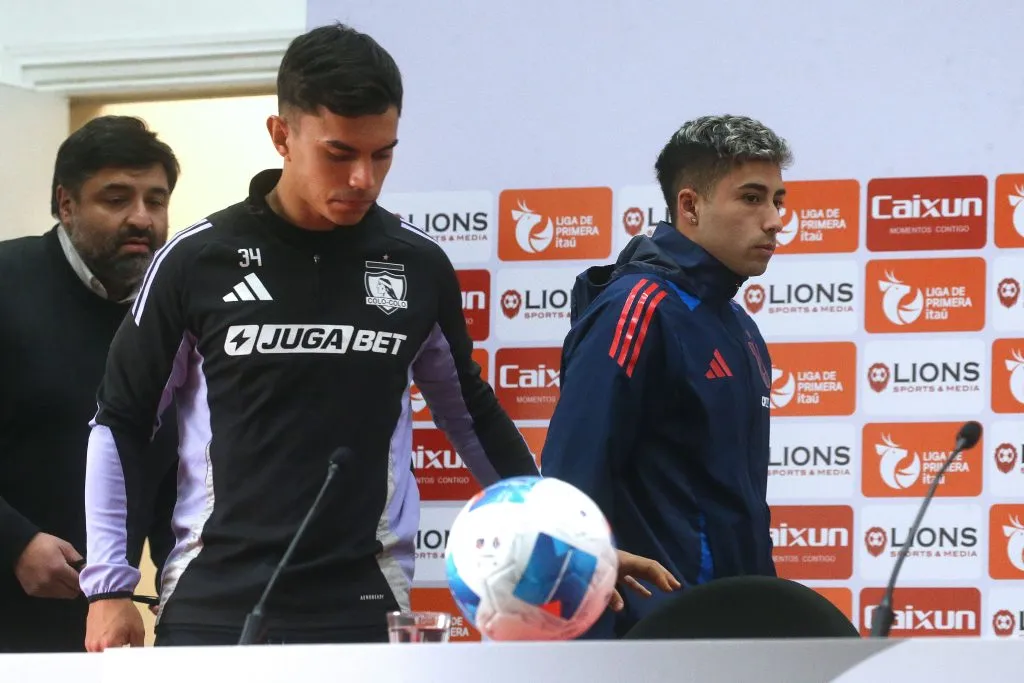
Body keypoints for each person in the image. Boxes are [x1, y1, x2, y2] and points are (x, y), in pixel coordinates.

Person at [80, 24, 675, 651]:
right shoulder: (195, 260)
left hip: (364, 598)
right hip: (216, 597)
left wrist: (571, 542)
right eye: (339, 154)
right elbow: (120, 418)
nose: (364, 178)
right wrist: (109, 586)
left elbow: (469, 414)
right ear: (281, 135)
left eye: (382, 153)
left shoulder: (415, 264)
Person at [540, 114, 792, 639]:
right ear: (690, 206)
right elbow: (571, 477)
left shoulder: (738, 325)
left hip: (734, 627)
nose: (774, 220)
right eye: (751, 198)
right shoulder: (637, 308)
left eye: (777, 199)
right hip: (654, 633)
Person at [0, 115, 181, 652]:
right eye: (116, 198)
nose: (141, 219)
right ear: (66, 204)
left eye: (156, 199)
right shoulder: (6, 286)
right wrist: (14, 542)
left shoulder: (174, 312)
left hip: (104, 636)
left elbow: (174, 474)